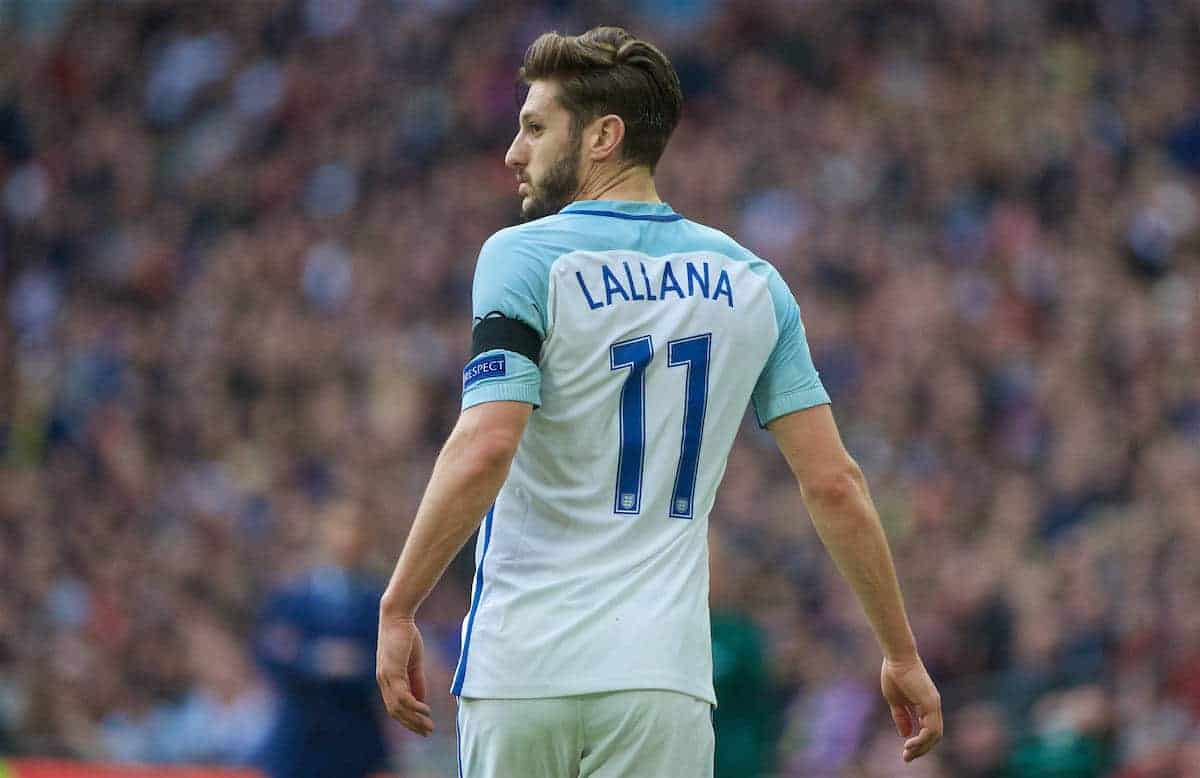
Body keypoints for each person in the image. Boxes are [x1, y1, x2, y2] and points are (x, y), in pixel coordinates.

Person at [375, 26, 942, 777]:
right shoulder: (753, 282)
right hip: (661, 680)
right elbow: (835, 482)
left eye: (535, 127)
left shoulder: (525, 255)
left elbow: (485, 444)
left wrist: (398, 605)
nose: (514, 151)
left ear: (604, 136)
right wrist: (900, 652)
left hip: (524, 667)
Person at [256, 504, 389, 778]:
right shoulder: (293, 596)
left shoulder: (379, 601)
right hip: (301, 741)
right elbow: (271, 653)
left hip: (356, 743)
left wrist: (356, 663)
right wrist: (315, 660)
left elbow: (391, 660)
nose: (348, 537)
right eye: (340, 527)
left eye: (356, 529)